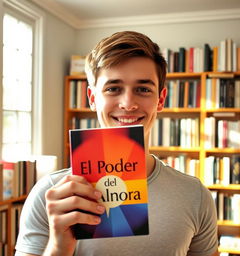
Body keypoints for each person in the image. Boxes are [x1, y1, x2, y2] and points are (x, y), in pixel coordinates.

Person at [15, 31, 218, 256]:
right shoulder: (51, 194)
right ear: (92, 98)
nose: (128, 103)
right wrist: (59, 245)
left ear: (160, 100)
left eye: (143, 89)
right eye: (113, 88)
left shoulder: (194, 195)